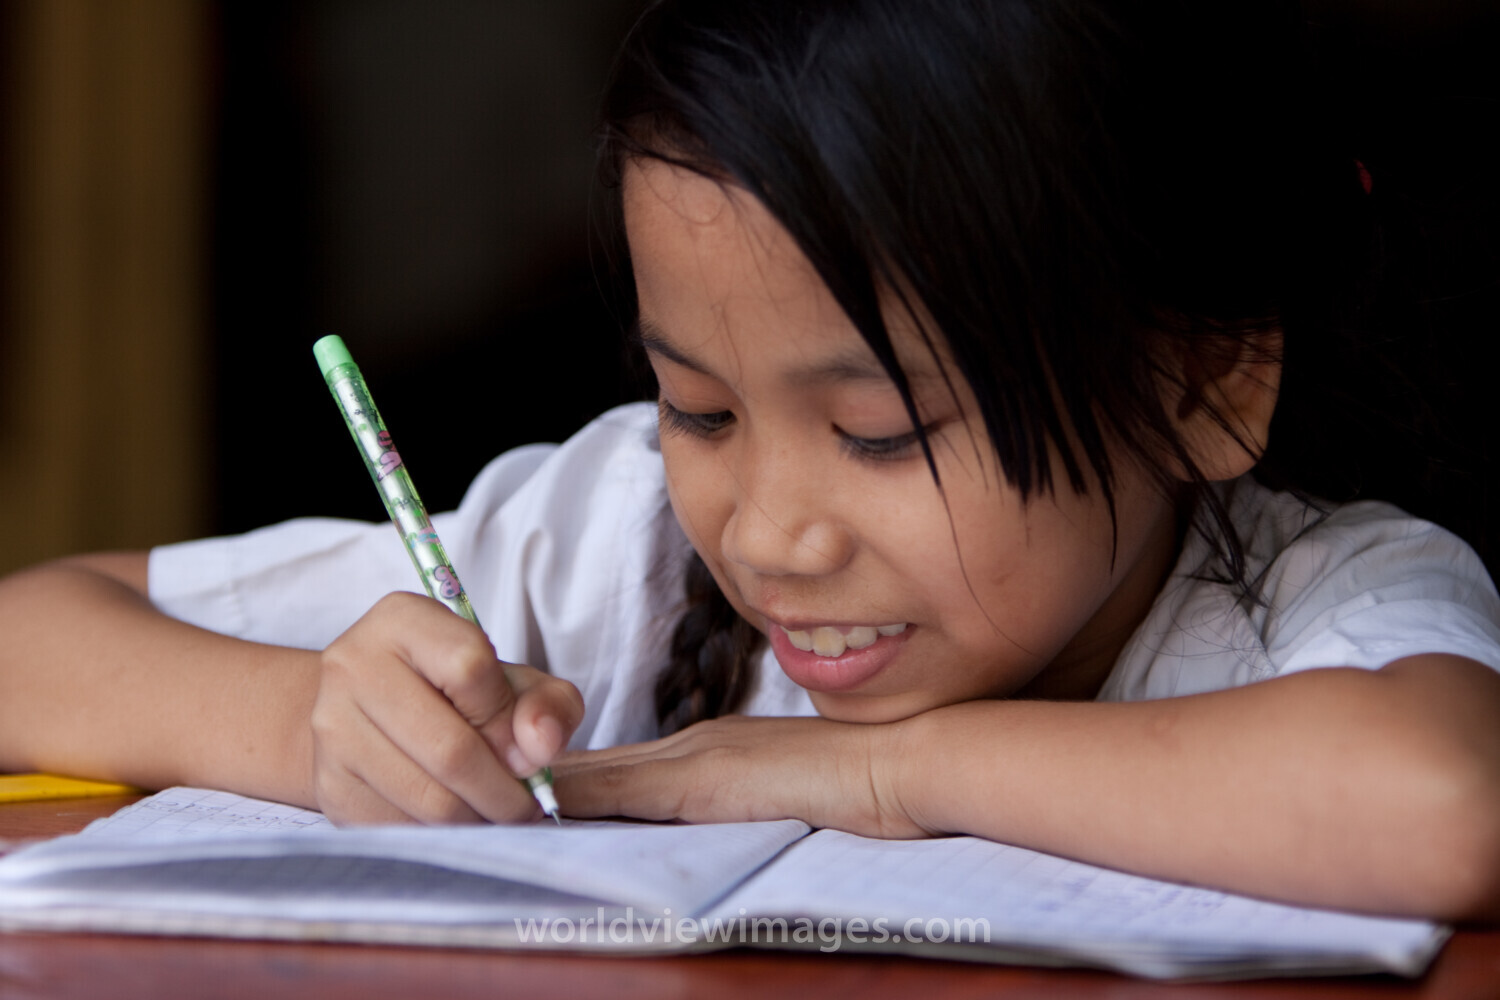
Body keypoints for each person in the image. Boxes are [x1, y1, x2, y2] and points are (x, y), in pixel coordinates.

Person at [1, 0, 1497, 921]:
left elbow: (1448, 804)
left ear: (1201, 385)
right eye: (700, 411)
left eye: (880, 432)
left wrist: (875, 772)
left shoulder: (1317, 604)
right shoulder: (625, 544)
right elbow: (26, 638)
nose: (770, 534)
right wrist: (326, 727)